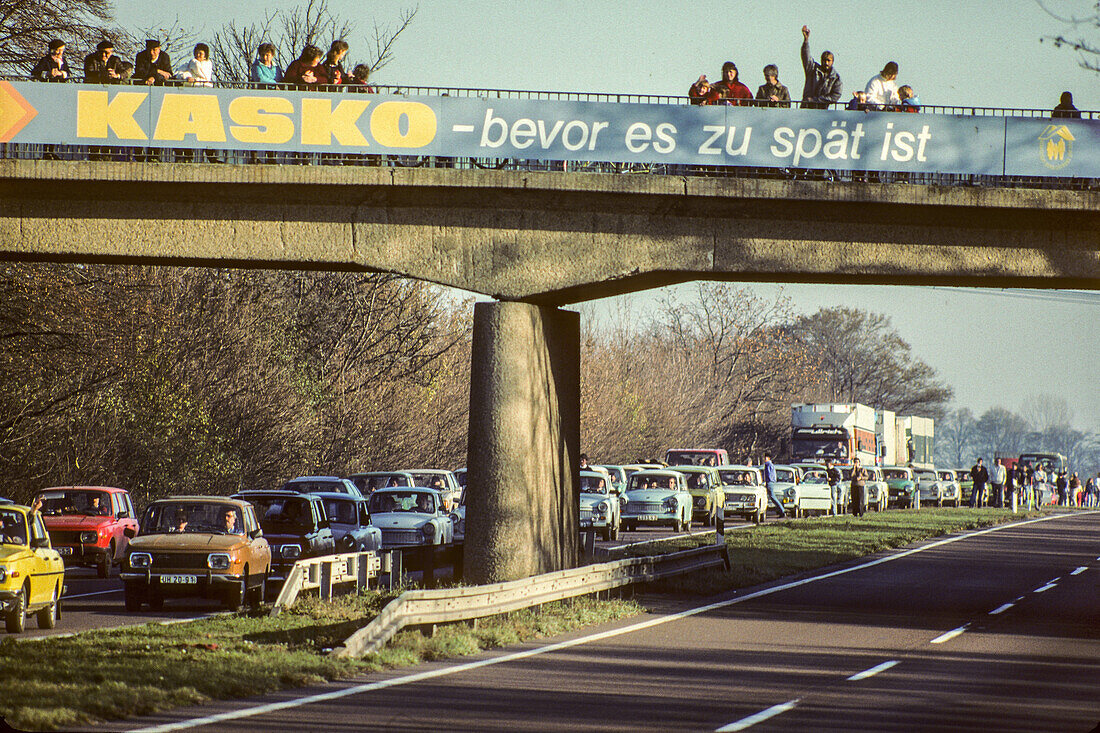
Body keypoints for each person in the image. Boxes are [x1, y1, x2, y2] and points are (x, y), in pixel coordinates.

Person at [799, 25, 842, 109]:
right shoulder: (812, 69)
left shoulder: (836, 78)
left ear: (832, 61)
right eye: (824, 60)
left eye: (828, 61)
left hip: (822, 111)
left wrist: (816, 100)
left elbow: (835, 96)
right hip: (806, 108)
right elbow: (806, 57)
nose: (826, 63)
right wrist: (806, 41)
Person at [763, 452, 786, 519]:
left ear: (768, 458)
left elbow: (770, 475)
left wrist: (767, 481)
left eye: (765, 457)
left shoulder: (768, 465)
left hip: (769, 482)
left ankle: (782, 511)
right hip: (770, 482)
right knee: (771, 497)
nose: (764, 459)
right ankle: (781, 510)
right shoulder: (769, 465)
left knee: (772, 497)